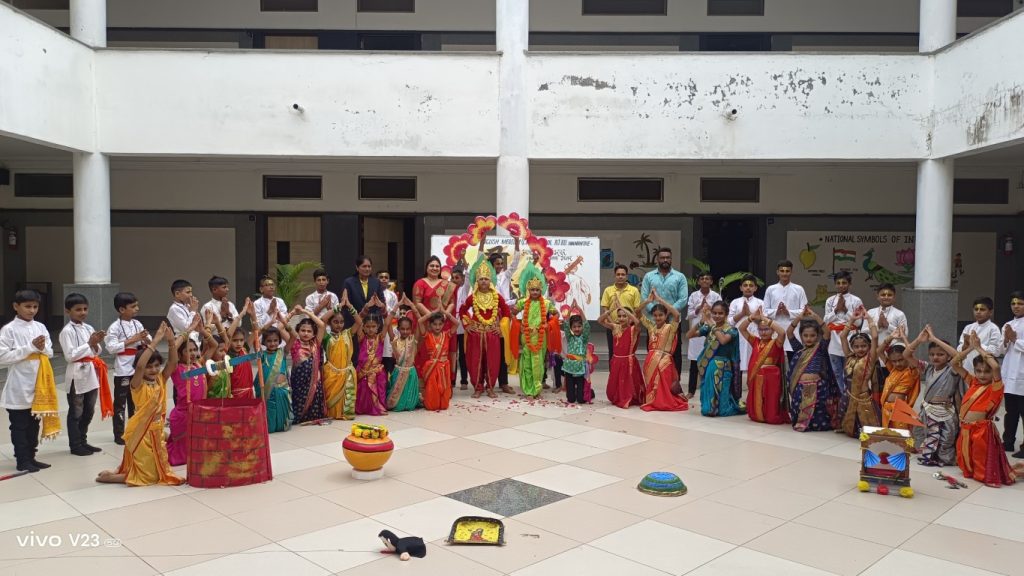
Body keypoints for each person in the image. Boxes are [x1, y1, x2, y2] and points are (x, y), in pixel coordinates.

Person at [97, 323, 183, 486]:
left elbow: (172, 363)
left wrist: (171, 342)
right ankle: (113, 478)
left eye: (156, 366)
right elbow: (140, 365)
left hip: (157, 431)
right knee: (148, 477)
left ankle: (121, 471)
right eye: (149, 367)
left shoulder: (160, 380)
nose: (154, 370)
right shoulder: (137, 384)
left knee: (158, 472)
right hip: (141, 432)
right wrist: (155, 341)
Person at [951, 331, 1017, 486]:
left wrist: (979, 348)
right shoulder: (973, 382)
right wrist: (970, 348)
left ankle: (986, 476)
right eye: (979, 371)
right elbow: (954, 363)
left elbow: (995, 367)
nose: (982, 375)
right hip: (965, 427)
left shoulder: (995, 387)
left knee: (980, 456)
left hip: (981, 429)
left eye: (986, 372)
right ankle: (972, 472)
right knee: (965, 455)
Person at [0, 290, 56, 473]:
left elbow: (50, 352)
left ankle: (32, 456)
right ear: (16, 306)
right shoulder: (9, 330)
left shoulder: (40, 327)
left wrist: (41, 348)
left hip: (39, 384)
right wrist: (30, 348)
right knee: (20, 425)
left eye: (35, 306)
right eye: (27, 306)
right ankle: (22, 460)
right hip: (19, 384)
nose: (32, 310)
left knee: (33, 424)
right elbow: (2, 357)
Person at [60, 293, 108, 456]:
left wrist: (95, 344)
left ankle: (83, 440)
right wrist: (89, 344)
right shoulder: (66, 331)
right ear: (68, 311)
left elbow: (97, 351)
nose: (83, 312)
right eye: (78, 309)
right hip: (76, 374)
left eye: (85, 309)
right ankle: (75, 445)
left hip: (91, 372)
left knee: (89, 410)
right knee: (76, 411)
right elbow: (70, 356)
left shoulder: (88, 328)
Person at [460, 258, 511, 399]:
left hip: (492, 334)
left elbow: (506, 312)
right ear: (477, 281)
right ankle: (478, 387)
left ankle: (490, 387)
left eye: (486, 279)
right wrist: (467, 325)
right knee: (475, 361)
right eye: (481, 279)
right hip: (475, 334)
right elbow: (462, 311)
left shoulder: (497, 297)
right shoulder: (472, 297)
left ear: (491, 281)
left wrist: (501, 328)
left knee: (492, 362)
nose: (483, 281)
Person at [915, 328, 966, 467]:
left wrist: (934, 339)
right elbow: (906, 355)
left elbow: (958, 356)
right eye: (932, 354)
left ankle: (943, 458)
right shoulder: (928, 368)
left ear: (948, 356)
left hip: (945, 411)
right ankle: (929, 457)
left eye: (940, 354)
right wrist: (919, 340)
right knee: (925, 435)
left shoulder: (952, 369)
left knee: (946, 439)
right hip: (928, 409)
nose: (935, 357)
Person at [167, 315, 212, 466]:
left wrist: (202, 331)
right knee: (180, 458)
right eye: (188, 351)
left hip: (199, 413)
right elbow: (173, 348)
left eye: (195, 350)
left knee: (196, 453)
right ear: (180, 354)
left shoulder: (199, 365)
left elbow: (213, 346)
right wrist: (190, 329)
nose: (193, 353)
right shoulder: (176, 368)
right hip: (183, 415)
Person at [105, 292, 149, 445]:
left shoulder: (138, 324)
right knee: (120, 403)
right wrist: (132, 340)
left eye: (137, 305)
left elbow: (147, 341)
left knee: (135, 401)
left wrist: (145, 338)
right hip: (123, 367)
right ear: (122, 309)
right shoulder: (114, 327)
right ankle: (119, 434)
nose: (137, 309)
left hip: (137, 365)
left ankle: (134, 430)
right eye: (133, 306)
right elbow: (111, 348)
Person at [785, 307, 839, 432]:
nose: (809, 338)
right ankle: (802, 423)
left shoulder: (820, 349)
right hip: (800, 386)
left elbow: (827, 333)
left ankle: (816, 425)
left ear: (817, 336)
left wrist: (815, 317)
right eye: (805, 335)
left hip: (818, 386)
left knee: (818, 410)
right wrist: (799, 318)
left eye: (812, 335)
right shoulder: (799, 349)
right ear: (801, 336)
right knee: (800, 407)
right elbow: (789, 333)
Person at [512, 262, 561, 398]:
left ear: (541, 290)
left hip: (541, 336)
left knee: (538, 363)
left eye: (537, 290)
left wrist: (549, 325)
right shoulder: (523, 302)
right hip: (527, 336)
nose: (534, 292)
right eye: (532, 290)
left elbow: (556, 314)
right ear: (528, 290)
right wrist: (519, 325)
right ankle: (528, 389)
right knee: (527, 362)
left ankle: (537, 389)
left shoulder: (546, 303)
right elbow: (512, 313)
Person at [640, 247, 689, 376]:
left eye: (668, 257)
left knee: (674, 352)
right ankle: (654, 380)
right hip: (653, 322)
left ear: (671, 259)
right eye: (662, 258)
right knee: (653, 351)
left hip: (673, 322)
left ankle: (674, 382)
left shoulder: (679, 277)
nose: (665, 260)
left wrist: (668, 313)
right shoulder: (649, 277)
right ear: (658, 259)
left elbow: (683, 299)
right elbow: (644, 297)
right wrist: (656, 313)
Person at [638, 289, 689, 412]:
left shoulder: (670, 328)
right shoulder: (651, 327)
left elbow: (676, 315)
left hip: (664, 361)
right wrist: (648, 301)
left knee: (664, 386)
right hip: (651, 361)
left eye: (660, 315)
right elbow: (637, 312)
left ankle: (662, 402)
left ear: (666, 316)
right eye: (655, 315)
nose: (657, 317)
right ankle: (653, 401)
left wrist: (660, 300)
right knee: (652, 385)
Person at [688, 301, 741, 417]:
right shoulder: (708, 328)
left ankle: (733, 406)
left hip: (724, 369)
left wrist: (711, 324)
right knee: (707, 410)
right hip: (708, 366)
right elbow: (689, 335)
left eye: (720, 313)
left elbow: (723, 340)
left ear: (726, 314)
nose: (717, 316)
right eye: (714, 313)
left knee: (723, 411)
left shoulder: (731, 330)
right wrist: (701, 322)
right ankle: (709, 407)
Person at [737, 309, 787, 424]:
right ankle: (758, 415)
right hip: (756, 376)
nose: (763, 332)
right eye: (761, 329)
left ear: (772, 330)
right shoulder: (755, 342)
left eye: (767, 329)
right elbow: (741, 328)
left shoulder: (776, 342)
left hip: (771, 378)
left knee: (770, 398)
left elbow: (782, 333)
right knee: (757, 397)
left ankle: (769, 415)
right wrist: (751, 318)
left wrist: (766, 319)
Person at [837, 310, 880, 438]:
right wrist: (851, 320)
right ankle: (848, 428)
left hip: (862, 396)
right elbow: (842, 336)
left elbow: (875, 337)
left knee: (866, 427)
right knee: (846, 417)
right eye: (856, 346)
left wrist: (869, 319)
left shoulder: (870, 359)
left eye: (863, 346)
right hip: (848, 394)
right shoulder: (849, 357)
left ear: (869, 346)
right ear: (852, 347)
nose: (860, 349)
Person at [282, 306, 327, 424]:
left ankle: (312, 418)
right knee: (298, 403)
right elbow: (280, 327)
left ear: (314, 334)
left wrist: (305, 312)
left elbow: (322, 325)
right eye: (303, 330)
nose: (306, 333)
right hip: (298, 381)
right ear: (298, 331)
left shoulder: (315, 343)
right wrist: (292, 313)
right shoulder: (294, 342)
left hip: (314, 382)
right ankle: (299, 417)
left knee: (314, 404)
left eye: (309, 331)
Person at [599, 296, 645, 409]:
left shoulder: (634, 329)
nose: (621, 318)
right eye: (619, 316)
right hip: (617, 360)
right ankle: (617, 397)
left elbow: (637, 321)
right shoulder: (615, 327)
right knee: (616, 382)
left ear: (629, 317)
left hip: (629, 361)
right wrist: (611, 310)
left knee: (629, 382)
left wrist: (622, 308)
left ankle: (628, 398)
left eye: (624, 316)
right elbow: (600, 320)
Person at [823, 271, 864, 395]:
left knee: (849, 371)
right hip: (833, 340)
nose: (841, 285)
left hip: (850, 338)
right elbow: (826, 321)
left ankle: (850, 396)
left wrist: (846, 311)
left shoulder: (856, 300)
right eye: (838, 283)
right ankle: (843, 396)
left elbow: (858, 323)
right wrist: (836, 310)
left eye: (844, 283)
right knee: (837, 373)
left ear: (849, 284)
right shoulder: (830, 300)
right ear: (835, 284)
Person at [323, 292, 362, 420]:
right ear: (330, 324)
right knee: (331, 399)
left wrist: (349, 306)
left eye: (341, 322)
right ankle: (333, 413)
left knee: (347, 398)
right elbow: (322, 320)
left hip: (346, 372)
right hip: (332, 373)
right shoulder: (326, 337)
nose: (339, 325)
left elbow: (359, 321)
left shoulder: (347, 334)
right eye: (335, 322)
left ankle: (345, 413)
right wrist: (339, 306)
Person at [877, 326, 922, 432]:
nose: (897, 363)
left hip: (900, 409)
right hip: (886, 408)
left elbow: (910, 353)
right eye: (894, 361)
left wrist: (903, 337)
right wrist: (891, 337)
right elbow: (879, 351)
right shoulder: (893, 370)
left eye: (900, 360)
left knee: (900, 435)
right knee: (888, 435)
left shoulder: (911, 371)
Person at [686, 272, 722, 400]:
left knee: (711, 360)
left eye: (707, 278)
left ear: (711, 281)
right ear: (698, 281)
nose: (705, 280)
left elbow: (721, 312)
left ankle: (711, 389)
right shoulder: (694, 295)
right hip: (697, 329)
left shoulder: (716, 296)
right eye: (702, 278)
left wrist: (710, 308)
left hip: (712, 330)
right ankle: (691, 390)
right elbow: (689, 314)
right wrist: (699, 307)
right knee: (694, 361)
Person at [765, 260, 809, 362]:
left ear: (791, 272)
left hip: (794, 332)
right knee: (775, 364)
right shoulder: (770, 289)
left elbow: (805, 311)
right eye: (782, 271)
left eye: (787, 271)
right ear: (777, 272)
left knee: (794, 364)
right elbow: (764, 311)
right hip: (775, 332)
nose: (784, 273)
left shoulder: (799, 289)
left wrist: (788, 312)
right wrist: (776, 311)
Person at [253, 318, 292, 433]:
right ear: (264, 342)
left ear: (280, 341)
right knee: (269, 421)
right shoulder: (262, 355)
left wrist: (284, 321)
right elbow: (255, 340)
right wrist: (269, 324)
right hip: (267, 392)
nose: (273, 343)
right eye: (269, 341)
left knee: (281, 424)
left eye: (275, 340)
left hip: (281, 391)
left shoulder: (283, 352)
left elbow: (293, 337)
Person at [864, 283, 907, 386]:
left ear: (894, 297)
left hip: (893, 357)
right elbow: (863, 332)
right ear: (877, 296)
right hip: (874, 353)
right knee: (876, 385)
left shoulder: (899, 314)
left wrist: (888, 326)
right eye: (883, 294)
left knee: (893, 385)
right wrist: (877, 326)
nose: (886, 297)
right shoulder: (871, 312)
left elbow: (905, 334)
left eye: (889, 295)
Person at [600, 264, 642, 370]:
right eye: (618, 274)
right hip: (613, 327)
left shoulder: (634, 290)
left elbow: (637, 310)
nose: (620, 276)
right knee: (613, 351)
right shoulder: (608, 290)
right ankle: (613, 374)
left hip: (629, 327)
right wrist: (613, 324)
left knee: (628, 351)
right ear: (615, 275)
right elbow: (605, 308)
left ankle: (629, 373)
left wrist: (628, 323)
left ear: (627, 276)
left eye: (623, 274)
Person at [728, 274, 765, 389]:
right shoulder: (735, 302)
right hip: (738, 337)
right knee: (737, 367)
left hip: (754, 337)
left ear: (755, 288)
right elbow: (729, 322)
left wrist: (749, 314)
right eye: (745, 285)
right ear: (741, 288)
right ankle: (736, 394)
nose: (748, 288)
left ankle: (753, 392)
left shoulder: (760, 303)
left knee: (754, 364)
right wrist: (742, 314)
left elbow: (764, 322)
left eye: (751, 285)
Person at [416, 310, 458, 411]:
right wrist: (431, 313)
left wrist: (445, 313)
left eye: (440, 324)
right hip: (432, 367)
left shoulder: (446, 335)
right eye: (434, 324)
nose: (437, 327)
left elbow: (457, 323)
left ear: (443, 324)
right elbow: (420, 321)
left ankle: (442, 403)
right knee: (432, 387)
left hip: (444, 367)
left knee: (444, 390)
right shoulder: (427, 335)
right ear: (430, 324)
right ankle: (432, 403)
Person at [356, 306, 391, 416]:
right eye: (368, 326)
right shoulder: (361, 338)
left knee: (380, 383)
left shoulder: (380, 338)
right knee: (363, 390)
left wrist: (384, 308)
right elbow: (358, 321)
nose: (370, 329)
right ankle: (365, 408)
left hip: (377, 371)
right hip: (363, 371)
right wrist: (366, 308)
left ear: (378, 327)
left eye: (373, 326)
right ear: (363, 327)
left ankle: (378, 407)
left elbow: (387, 323)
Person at [1002, 291, 1024, 458]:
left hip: (1022, 375)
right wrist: (1006, 340)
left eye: (1020, 303)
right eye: (1013, 303)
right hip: (1010, 375)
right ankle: (1008, 442)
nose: (1016, 306)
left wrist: (1015, 340)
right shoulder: (1008, 324)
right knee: (1011, 412)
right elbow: (1001, 350)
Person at [957, 297, 1003, 375]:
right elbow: (959, 349)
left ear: (990, 312)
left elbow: (996, 351)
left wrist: (978, 345)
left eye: (982, 309)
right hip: (967, 368)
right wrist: (965, 345)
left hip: (984, 371)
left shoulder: (993, 329)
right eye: (976, 309)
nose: (978, 312)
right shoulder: (968, 327)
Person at [387, 307, 421, 411]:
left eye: (408, 329)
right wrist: (397, 305)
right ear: (398, 329)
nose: (405, 331)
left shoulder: (413, 340)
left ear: (411, 329)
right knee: (396, 404)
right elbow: (387, 323)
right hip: (398, 372)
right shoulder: (395, 340)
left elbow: (420, 321)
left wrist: (411, 305)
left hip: (410, 374)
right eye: (402, 329)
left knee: (410, 405)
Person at [561, 307, 591, 405]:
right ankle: (572, 393)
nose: (577, 329)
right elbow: (566, 324)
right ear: (571, 328)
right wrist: (570, 310)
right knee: (571, 399)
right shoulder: (570, 338)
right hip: (569, 368)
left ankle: (590, 392)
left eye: (579, 326)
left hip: (580, 369)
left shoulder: (584, 338)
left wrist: (580, 310)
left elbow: (587, 325)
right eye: (574, 327)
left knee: (581, 400)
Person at [451, 266, 470, 390]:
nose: (454, 280)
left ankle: (464, 380)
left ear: (462, 279)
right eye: (452, 278)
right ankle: (451, 380)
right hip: (451, 324)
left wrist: (466, 268)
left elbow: (468, 279)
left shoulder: (464, 289)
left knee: (463, 354)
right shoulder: (448, 291)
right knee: (452, 353)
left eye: (457, 277)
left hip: (462, 325)